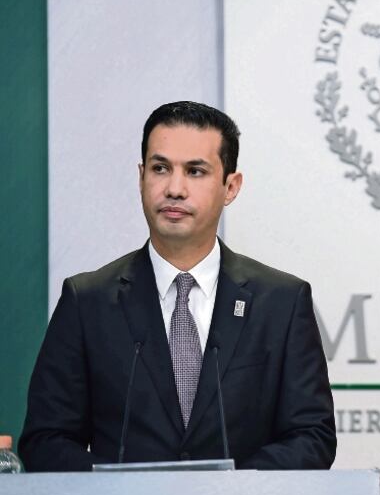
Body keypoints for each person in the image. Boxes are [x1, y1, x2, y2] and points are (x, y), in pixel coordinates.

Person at [20, 102, 337, 470]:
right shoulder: (87, 301)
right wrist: (119, 493)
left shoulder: (281, 302)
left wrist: (228, 493)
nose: (174, 188)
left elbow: (312, 435)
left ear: (230, 186)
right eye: (160, 169)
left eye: (195, 171)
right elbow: (46, 439)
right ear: (141, 177)